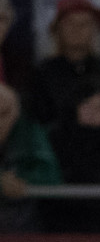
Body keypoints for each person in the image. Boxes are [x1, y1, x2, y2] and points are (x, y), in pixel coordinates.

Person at [48, 85, 100, 231]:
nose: (93, 112)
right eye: (87, 105)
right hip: (64, 222)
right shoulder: (57, 139)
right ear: (75, 107)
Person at [31, 0, 100, 130]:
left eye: (84, 24)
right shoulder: (43, 73)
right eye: (69, 23)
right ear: (58, 30)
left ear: (94, 31)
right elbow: (39, 119)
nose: (76, 29)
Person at [0, 83, 61, 232]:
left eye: (4, 113)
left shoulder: (30, 134)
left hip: (23, 228)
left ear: (16, 111)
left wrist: (21, 179)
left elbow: (52, 176)